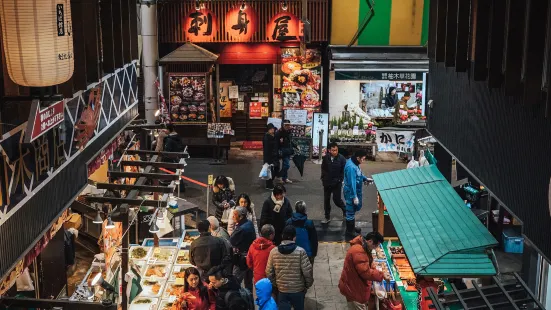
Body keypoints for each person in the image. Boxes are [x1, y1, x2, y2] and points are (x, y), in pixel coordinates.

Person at [266, 225, 313, 310]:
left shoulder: (273, 252)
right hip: (298, 290)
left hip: (282, 290)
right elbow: (308, 272)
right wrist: (307, 285)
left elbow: (269, 272)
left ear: (282, 236)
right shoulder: (300, 252)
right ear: (294, 238)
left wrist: (276, 284)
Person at [339, 232, 389, 310]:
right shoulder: (358, 251)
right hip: (354, 289)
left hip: (353, 285)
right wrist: (382, 275)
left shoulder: (362, 247)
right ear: (370, 241)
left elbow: (365, 263)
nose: (375, 248)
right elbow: (365, 273)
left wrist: (372, 265)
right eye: (375, 245)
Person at [343, 150, 373, 238]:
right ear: (358, 158)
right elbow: (352, 183)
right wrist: (354, 196)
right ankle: (349, 231)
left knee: (353, 210)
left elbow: (358, 175)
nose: (363, 161)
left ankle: (352, 227)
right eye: (362, 159)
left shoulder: (355, 163)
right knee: (350, 211)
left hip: (355, 191)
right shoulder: (351, 167)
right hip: (351, 192)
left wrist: (365, 179)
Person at [230, 206, 257, 291]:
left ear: (241, 217)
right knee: (248, 282)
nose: (232, 217)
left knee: (235, 281)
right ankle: (249, 300)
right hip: (250, 256)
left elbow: (232, 241)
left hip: (241, 258)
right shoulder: (249, 223)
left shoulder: (241, 229)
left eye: (235, 215)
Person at [321, 142, 347, 223]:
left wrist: (340, 180)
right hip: (327, 182)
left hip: (337, 183)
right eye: (333, 150)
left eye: (336, 150)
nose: (335, 152)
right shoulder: (326, 158)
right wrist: (323, 179)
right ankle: (327, 217)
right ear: (329, 150)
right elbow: (323, 169)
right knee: (326, 200)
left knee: (337, 200)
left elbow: (343, 171)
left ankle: (345, 211)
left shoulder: (342, 159)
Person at [276, 120, 293, 184]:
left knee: (285, 164)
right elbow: (276, 143)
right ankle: (280, 175)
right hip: (282, 150)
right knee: (287, 165)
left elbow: (290, 141)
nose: (287, 126)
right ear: (282, 125)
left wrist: (295, 146)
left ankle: (284, 178)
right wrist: (277, 150)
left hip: (288, 150)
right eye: (286, 125)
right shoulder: (279, 132)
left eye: (288, 125)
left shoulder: (289, 132)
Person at [262, 123, 279, 190]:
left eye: (273, 129)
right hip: (269, 157)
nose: (272, 130)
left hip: (274, 156)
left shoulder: (273, 136)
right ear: (268, 130)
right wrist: (266, 160)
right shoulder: (266, 137)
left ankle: (269, 184)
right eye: (271, 129)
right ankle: (269, 185)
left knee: (274, 170)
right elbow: (266, 149)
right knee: (269, 171)